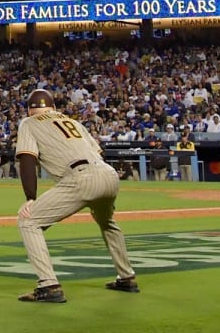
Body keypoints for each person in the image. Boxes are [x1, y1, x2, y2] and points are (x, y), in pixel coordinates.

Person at [14, 88, 138, 304]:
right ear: (53, 108)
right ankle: (126, 276)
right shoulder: (73, 122)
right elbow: (99, 153)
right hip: (108, 174)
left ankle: (48, 285)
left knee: (28, 220)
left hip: (81, 177)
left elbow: (27, 160)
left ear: (29, 109)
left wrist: (30, 198)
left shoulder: (29, 122)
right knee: (107, 221)